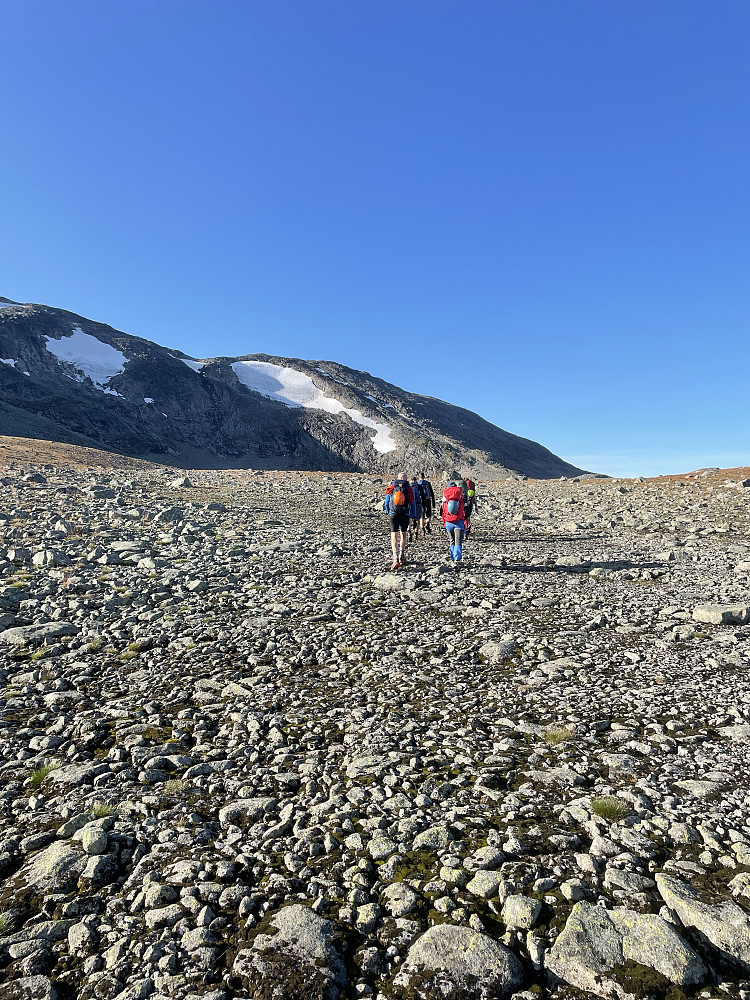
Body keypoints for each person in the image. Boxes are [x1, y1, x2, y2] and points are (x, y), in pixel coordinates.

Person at [383, 471, 414, 569]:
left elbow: (387, 501)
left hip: (393, 514)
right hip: (405, 514)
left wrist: (389, 512)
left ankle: (395, 557)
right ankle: (402, 555)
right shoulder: (409, 488)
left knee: (394, 535)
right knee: (403, 534)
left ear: (398, 478)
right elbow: (411, 502)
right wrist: (412, 516)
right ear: (406, 478)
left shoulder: (392, 486)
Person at [440, 480, 467, 569]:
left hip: (448, 523)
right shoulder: (460, 498)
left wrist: (445, 522)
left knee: (452, 540)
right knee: (458, 541)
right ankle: (457, 559)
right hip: (458, 522)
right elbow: (465, 509)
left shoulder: (445, 500)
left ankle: (452, 557)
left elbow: (442, 512)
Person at [408, 477, 423, 542]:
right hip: (418, 504)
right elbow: (423, 496)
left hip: (410, 504)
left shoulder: (408, 487)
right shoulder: (419, 487)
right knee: (418, 519)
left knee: (410, 518)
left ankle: (409, 529)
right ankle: (416, 532)